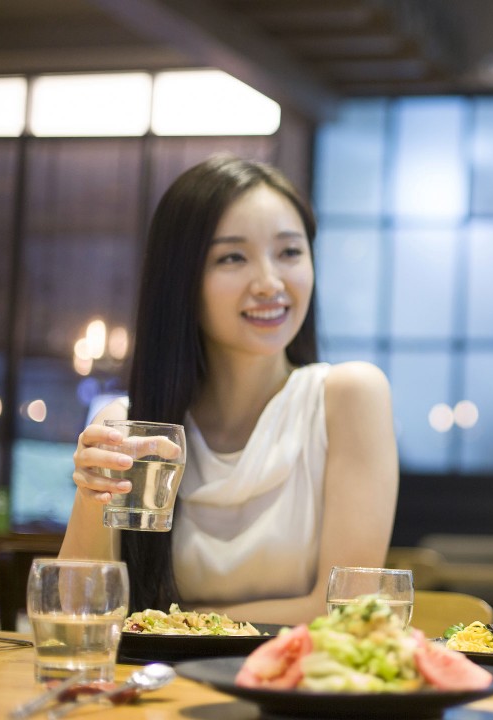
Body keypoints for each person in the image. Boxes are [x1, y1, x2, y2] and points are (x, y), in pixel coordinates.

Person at [60, 155, 399, 625]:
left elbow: (345, 611)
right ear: (181, 279)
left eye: (290, 252)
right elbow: (82, 613)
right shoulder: (129, 429)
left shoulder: (348, 397)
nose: (270, 283)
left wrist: (175, 625)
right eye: (232, 257)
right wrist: (88, 495)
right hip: (158, 692)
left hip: (299, 692)